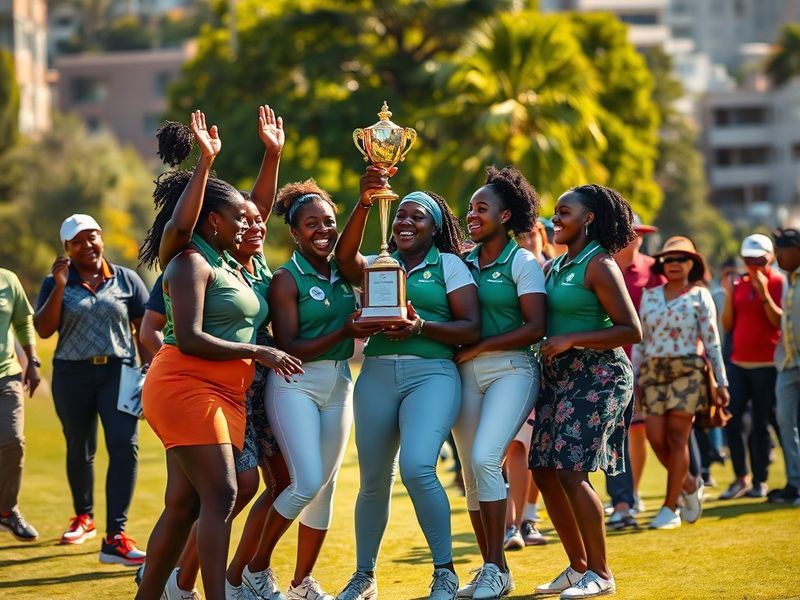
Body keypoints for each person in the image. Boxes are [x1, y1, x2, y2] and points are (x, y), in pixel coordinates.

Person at [134, 111, 303, 600]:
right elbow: (186, 337)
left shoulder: (233, 260)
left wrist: (273, 154)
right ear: (213, 220)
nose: (252, 222)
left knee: (184, 504)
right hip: (187, 384)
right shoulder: (188, 258)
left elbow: (258, 208)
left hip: (225, 392)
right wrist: (206, 163)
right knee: (225, 493)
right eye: (239, 218)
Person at [334, 166, 480, 600]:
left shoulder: (449, 264)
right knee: (373, 481)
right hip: (376, 374)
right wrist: (365, 202)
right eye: (399, 214)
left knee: (418, 467)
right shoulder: (382, 262)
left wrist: (421, 327)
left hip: (432, 374)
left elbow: (471, 326)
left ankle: (444, 572)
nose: (404, 222)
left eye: (417, 216)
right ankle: (364, 577)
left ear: (435, 228)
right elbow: (344, 260)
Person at [243, 180, 383, 600]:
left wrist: (364, 204)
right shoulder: (286, 278)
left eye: (329, 223)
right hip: (295, 384)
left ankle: (302, 582)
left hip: (339, 381)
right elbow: (289, 347)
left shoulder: (344, 268)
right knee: (303, 483)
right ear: (295, 232)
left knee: (325, 488)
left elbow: (369, 261)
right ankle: (254, 569)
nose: (323, 230)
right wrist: (346, 328)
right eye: (312, 224)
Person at [530, 184, 641, 599]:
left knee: (572, 472)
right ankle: (578, 568)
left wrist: (571, 339)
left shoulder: (600, 265)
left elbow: (631, 330)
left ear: (588, 218)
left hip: (600, 375)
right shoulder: (558, 265)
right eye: (555, 213)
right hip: (559, 377)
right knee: (542, 469)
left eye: (564, 212)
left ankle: (602, 572)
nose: (555, 219)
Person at [449, 166, 546, 599]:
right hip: (465, 374)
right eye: (469, 208)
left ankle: (492, 567)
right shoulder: (461, 262)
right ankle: (496, 570)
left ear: (506, 216)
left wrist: (478, 347)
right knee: (472, 472)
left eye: (481, 208)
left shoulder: (522, 261)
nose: (471, 215)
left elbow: (535, 326)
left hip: (513, 369)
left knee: (488, 457)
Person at [33, 213, 150, 565]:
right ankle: (83, 517)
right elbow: (43, 329)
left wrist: (149, 372)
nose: (88, 245)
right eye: (78, 241)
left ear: (102, 239)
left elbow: (145, 329)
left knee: (124, 446)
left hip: (120, 373)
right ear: (66, 248)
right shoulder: (55, 282)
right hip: (72, 375)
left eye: (93, 237)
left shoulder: (127, 279)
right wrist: (58, 283)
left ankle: (116, 536)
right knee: (80, 447)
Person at [633, 236, 729, 529]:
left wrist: (722, 382)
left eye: (681, 259)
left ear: (692, 264)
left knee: (677, 439)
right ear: (662, 263)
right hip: (652, 371)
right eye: (669, 259)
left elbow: (713, 343)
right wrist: (634, 377)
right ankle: (688, 485)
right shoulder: (649, 296)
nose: (674, 264)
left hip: (688, 370)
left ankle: (670, 507)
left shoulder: (701, 296)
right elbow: (640, 340)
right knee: (655, 438)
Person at [605, 215, 664, 530]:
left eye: (638, 234)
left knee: (645, 433)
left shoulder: (654, 269)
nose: (635, 239)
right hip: (611, 365)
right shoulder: (601, 265)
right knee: (617, 434)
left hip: (649, 365)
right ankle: (623, 502)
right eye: (629, 234)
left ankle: (641, 493)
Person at [720, 234, 784, 500]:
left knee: (760, 423)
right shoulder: (740, 284)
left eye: (758, 259)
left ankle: (760, 480)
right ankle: (740, 478)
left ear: (770, 258)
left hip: (767, 365)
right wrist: (729, 294)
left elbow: (778, 322)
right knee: (730, 418)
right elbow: (727, 324)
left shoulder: (779, 282)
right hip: (738, 363)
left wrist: (764, 292)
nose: (753, 265)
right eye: (748, 260)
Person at [0, 268, 41, 542]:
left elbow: (23, 322)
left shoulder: (7, 279)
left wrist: (32, 360)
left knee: (13, 441)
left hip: (6, 376)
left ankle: (6, 510)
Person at [768, 227, 800, 506]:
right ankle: (795, 483)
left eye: (781, 250)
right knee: (786, 422)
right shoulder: (788, 279)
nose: (776, 256)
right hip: (789, 362)